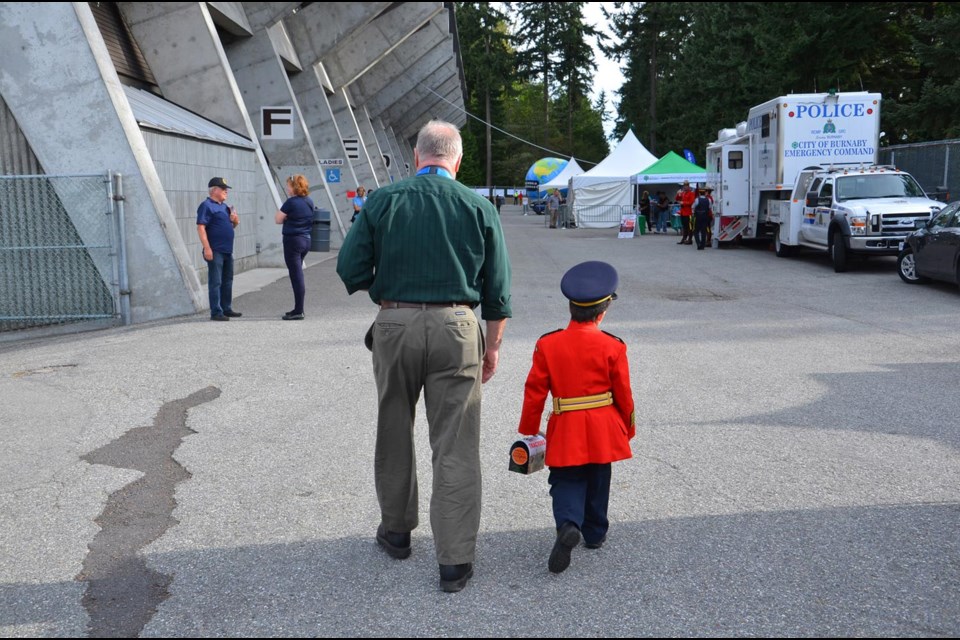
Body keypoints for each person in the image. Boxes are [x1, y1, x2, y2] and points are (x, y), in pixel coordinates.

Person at [336, 119, 512, 594]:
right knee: (455, 440)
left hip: (394, 322)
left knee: (393, 424)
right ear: (457, 160)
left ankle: (396, 532)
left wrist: (390, 295)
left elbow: (348, 267)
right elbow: (497, 293)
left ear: (416, 157)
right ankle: (454, 561)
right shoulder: (479, 207)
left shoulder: (384, 200)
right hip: (458, 325)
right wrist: (491, 348)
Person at [517, 260, 635, 574]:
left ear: (571, 308)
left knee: (566, 479)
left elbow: (535, 391)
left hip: (566, 422)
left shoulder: (548, 344)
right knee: (599, 477)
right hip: (603, 424)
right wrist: (627, 427)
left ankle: (568, 524)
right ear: (603, 311)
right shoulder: (613, 345)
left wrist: (530, 430)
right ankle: (595, 533)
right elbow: (623, 393)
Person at [196, 177, 241, 321]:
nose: (226, 191)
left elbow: (231, 227)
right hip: (215, 250)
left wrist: (235, 221)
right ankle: (216, 312)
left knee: (228, 280)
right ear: (214, 190)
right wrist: (207, 248)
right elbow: (201, 227)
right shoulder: (206, 206)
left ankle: (226, 308)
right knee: (216, 281)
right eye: (223, 189)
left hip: (227, 250)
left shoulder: (225, 207)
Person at [274, 174, 314, 320]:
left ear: (294, 187)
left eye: (289, 186)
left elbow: (278, 219)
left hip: (293, 241)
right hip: (306, 240)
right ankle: (298, 308)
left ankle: (298, 310)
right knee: (297, 274)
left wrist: (287, 217)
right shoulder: (309, 201)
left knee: (296, 275)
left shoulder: (291, 202)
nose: (287, 188)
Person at [676, 181, 696, 245]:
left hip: (688, 212)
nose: (685, 187)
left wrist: (683, 203)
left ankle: (690, 239)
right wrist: (678, 194)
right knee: (684, 226)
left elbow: (691, 202)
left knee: (689, 227)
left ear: (688, 186)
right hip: (683, 212)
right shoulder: (683, 193)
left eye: (686, 185)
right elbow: (677, 199)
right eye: (684, 185)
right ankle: (684, 239)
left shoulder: (691, 193)